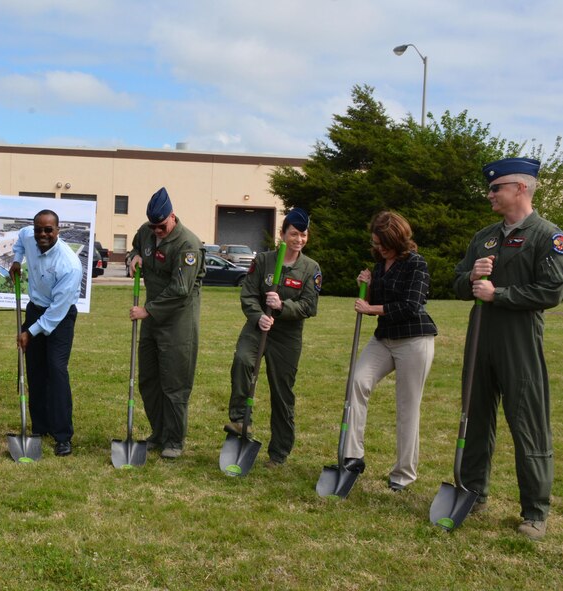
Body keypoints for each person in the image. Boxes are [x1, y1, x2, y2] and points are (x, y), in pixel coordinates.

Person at [453, 157, 563, 540]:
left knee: (527, 422)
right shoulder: (483, 236)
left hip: (518, 340)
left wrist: (497, 293)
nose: (490, 195)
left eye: (496, 188)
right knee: (475, 414)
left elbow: (550, 291)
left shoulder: (545, 235)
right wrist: (471, 277)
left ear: (520, 188)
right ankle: (472, 492)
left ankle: (535, 511)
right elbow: (455, 283)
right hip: (481, 337)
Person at [343, 211, 437, 492]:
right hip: (384, 338)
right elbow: (373, 305)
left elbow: (411, 306)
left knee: (408, 406)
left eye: (383, 241)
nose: (379, 246)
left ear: (397, 237)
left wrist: (370, 307)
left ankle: (403, 474)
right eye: (375, 241)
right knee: (357, 382)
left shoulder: (416, 264)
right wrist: (368, 288)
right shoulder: (379, 264)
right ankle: (352, 456)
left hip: (414, 339)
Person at [225, 208, 321, 467]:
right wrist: (259, 316)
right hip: (258, 328)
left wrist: (281, 307)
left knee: (282, 392)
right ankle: (239, 419)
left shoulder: (310, 268)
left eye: (303, 235)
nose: (298, 239)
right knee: (243, 361)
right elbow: (248, 294)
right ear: (282, 234)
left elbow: (309, 307)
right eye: (293, 234)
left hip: (287, 336)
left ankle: (279, 451)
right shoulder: (265, 261)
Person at [129, 187, 205, 459]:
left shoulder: (188, 245)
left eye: (161, 226)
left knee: (174, 384)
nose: (157, 231)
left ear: (172, 217)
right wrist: (134, 256)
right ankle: (158, 433)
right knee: (149, 379)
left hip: (178, 322)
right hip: (151, 319)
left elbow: (180, 289)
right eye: (153, 226)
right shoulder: (146, 231)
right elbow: (137, 246)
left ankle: (174, 440)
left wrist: (147, 311)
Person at [10, 210, 81, 456]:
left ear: (57, 231)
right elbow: (20, 238)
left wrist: (30, 332)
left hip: (60, 318)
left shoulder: (69, 264)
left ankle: (63, 435)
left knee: (56, 370)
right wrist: (17, 260)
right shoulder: (29, 235)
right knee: (35, 370)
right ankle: (40, 428)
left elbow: (56, 313)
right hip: (35, 308)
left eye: (48, 230)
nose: (42, 234)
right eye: (39, 229)